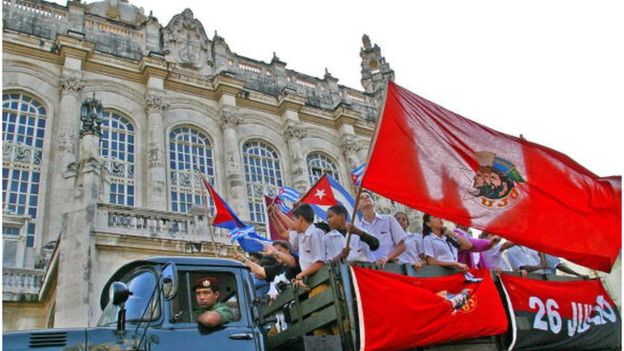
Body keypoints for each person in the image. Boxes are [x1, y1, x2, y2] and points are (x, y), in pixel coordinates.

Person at [358, 191, 406, 266]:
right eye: (361, 198)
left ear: (374, 203)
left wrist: (386, 258)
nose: (365, 198)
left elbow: (402, 245)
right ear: (357, 206)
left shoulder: (388, 219)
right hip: (371, 269)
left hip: (392, 265)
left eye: (367, 196)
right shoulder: (358, 228)